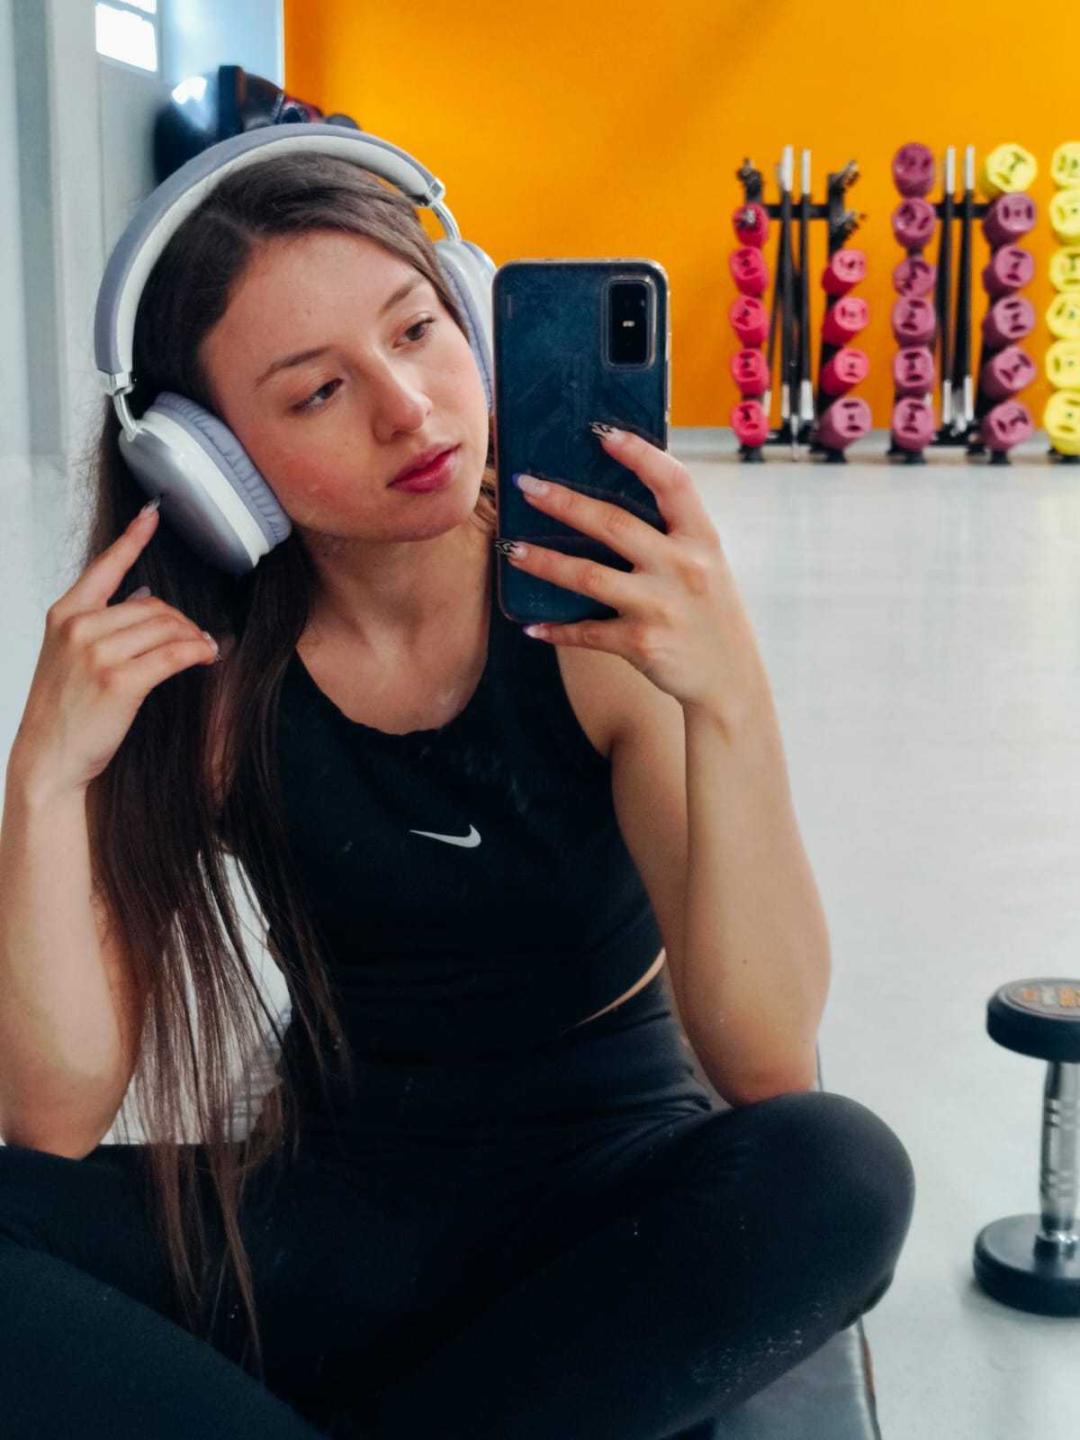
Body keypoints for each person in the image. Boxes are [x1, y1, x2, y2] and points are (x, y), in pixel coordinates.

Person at [0, 139, 916, 1439]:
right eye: (319, 391)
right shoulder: (211, 684)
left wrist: (727, 694)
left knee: (841, 1169)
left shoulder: (598, 622)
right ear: (213, 465)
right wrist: (43, 778)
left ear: (469, 310)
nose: (410, 409)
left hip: (606, 1206)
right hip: (339, 1215)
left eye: (418, 330)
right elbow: (49, 1115)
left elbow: (764, 1058)